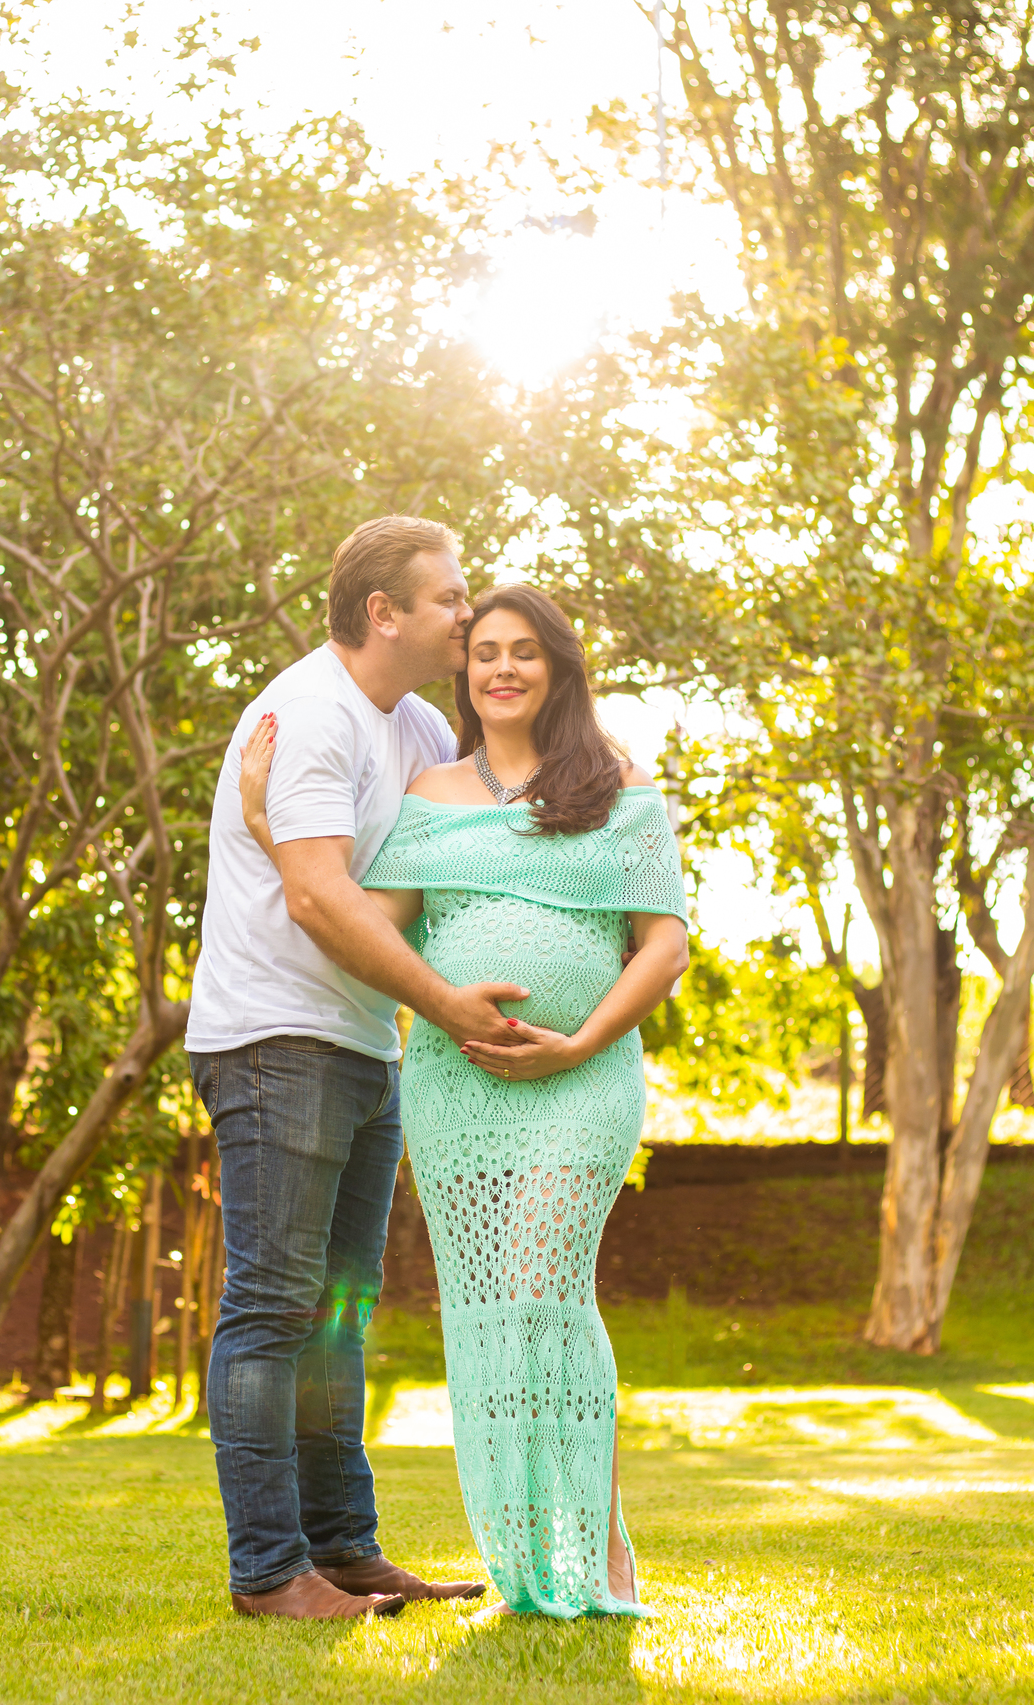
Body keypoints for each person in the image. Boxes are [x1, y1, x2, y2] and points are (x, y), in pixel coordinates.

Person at [240, 583, 689, 1619]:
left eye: (524, 652)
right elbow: (367, 924)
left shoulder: (618, 785)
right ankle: (537, 1565)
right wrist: (274, 831)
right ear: (464, 669)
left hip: (584, 1080)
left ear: (558, 668)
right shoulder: (429, 794)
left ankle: (596, 1559)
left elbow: (661, 943)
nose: (501, 669)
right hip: (456, 1090)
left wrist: (576, 1039)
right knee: (493, 1312)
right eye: (484, 650)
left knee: (544, 1289)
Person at [185, 516, 531, 1620]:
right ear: (384, 614)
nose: (468, 615)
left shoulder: (417, 724)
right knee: (275, 1306)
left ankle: (345, 1551)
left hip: (361, 1041)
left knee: (340, 1309)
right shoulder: (309, 714)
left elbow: (485, 829)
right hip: (276, 1036)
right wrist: (445, 1008)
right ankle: (270, 1573)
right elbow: (318, 896)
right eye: (449, 599)